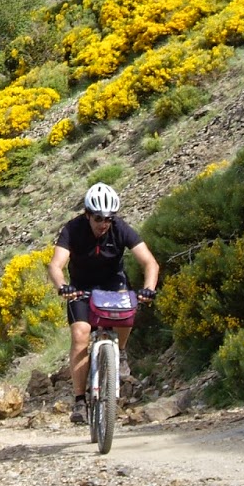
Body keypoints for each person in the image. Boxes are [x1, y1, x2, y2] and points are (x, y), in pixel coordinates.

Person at [47, 181, 160, 425]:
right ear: (87, 215)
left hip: (113, 284)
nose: (104, 224)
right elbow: (56, 265)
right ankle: (79, 401)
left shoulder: (121, 229)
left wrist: (149, 289)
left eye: (109, 218)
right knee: (81, 333)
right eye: (98, 218)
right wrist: (62, 287)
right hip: (80, 288)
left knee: (127, 311)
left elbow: (150, 263)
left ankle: (120, 353)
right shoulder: (72, 229)